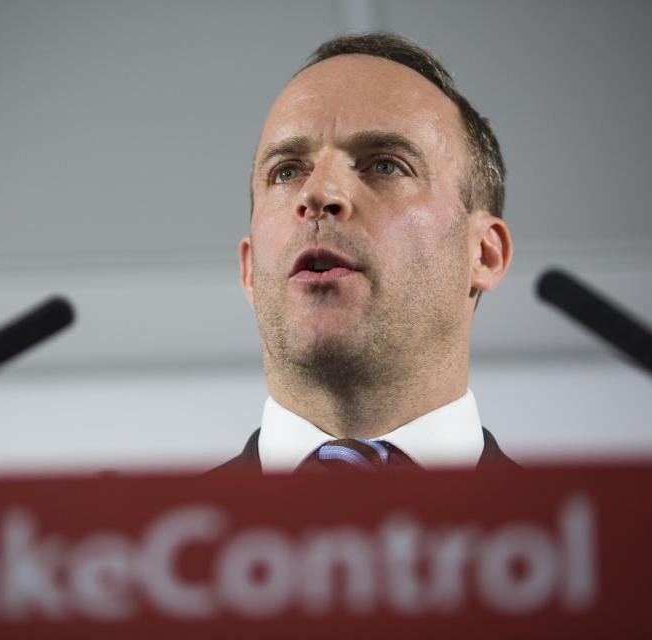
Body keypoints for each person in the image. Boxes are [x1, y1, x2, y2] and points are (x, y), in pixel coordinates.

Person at [214, 32, 515, 473]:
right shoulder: (136, 539)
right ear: (249, 270)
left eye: (385, 164)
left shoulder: (611, 538)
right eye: (287, 171)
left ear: (484, 254)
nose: (318, 193)